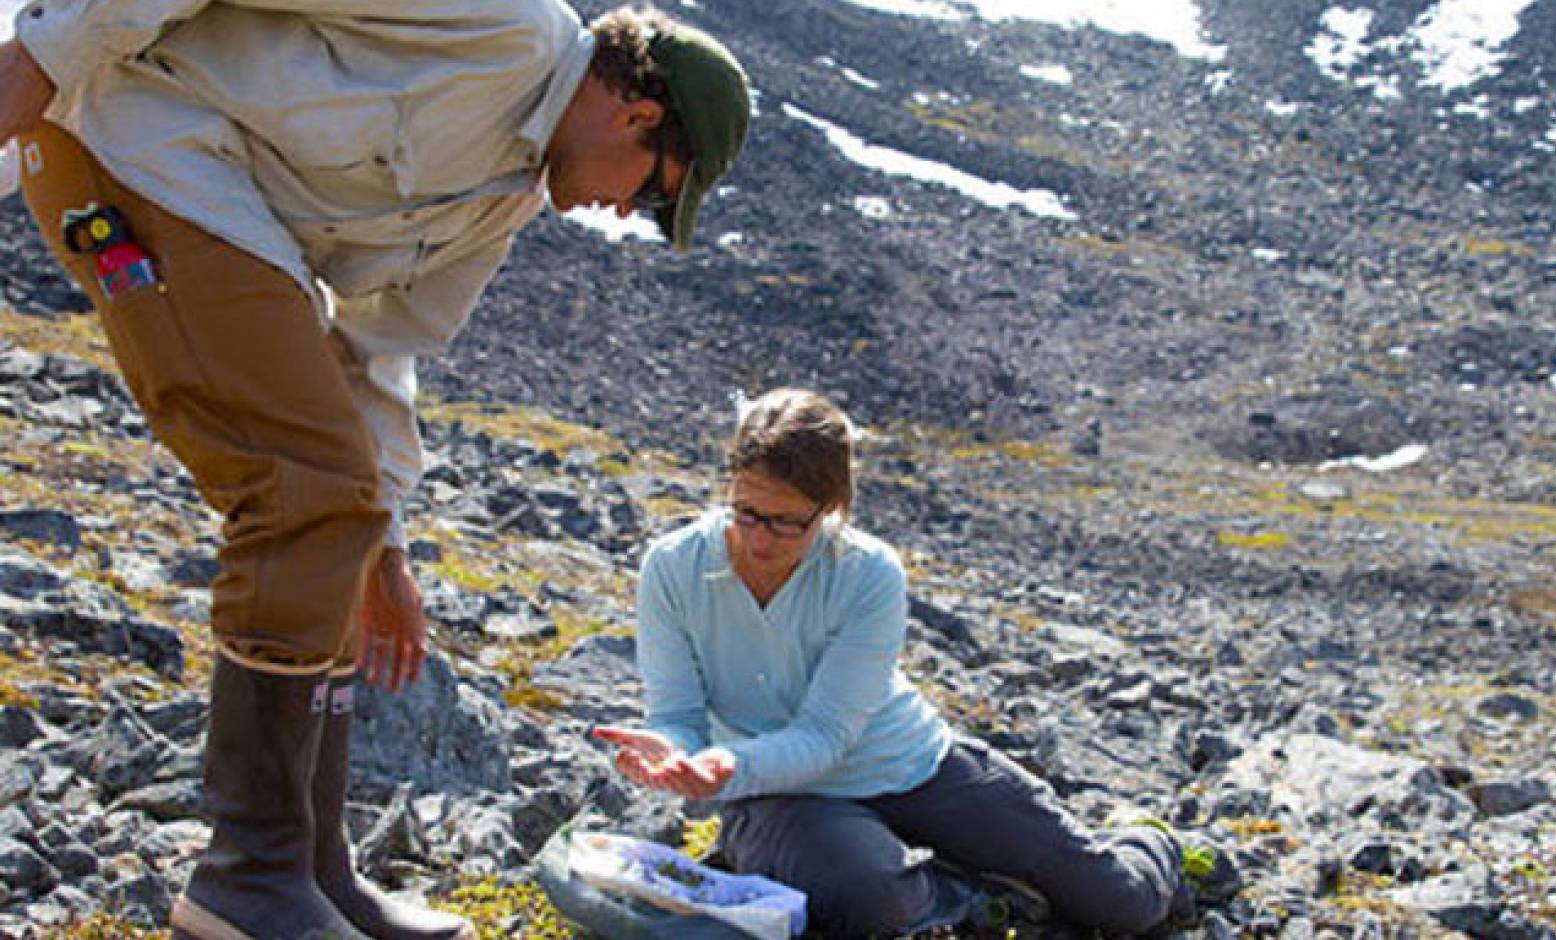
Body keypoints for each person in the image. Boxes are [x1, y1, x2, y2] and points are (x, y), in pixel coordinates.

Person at [0, 1, 749, 937]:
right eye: (654, 191)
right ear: (639, 117)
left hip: (230, 218)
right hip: (128, 145)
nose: (631, 215)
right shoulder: (498, 22)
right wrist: (40, 53)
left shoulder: (504, 200)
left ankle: (311, 870)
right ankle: (246, 875)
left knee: (343, 511)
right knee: (302, 490)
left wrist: (382, 543)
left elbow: (376, 353)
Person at [596, 389, 1211, 938]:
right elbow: (677, 714)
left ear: (832, 507)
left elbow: (826, 735)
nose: (760, 540)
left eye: (787, 523)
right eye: (747, 512)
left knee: (1123, 904)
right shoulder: (672, 567)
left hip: (910, 762)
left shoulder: (867, 572)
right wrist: (673, 754)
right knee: (868, 899)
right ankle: (966, 894)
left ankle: (1152, 840)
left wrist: (726, 763)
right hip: (779, 795)